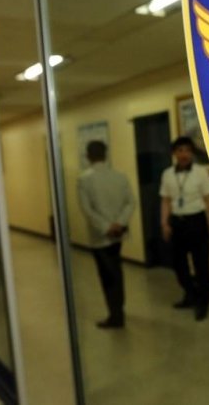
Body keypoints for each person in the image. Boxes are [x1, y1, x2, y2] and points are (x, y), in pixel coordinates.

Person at [160, 136, 209, 321]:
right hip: (177, 223)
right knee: (178, 265)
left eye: (187, 150)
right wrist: (164, 223)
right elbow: (166, 201)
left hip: (197, 222)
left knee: (201, 265)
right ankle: (190, 294)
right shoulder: (167, 174)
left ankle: (203, 303)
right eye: (180, 150)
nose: (183, 154)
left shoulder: (200, 172)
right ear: (174, 153)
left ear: (192, 153)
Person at [77, 140, 135, 329]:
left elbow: (87, 210)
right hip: (119, 233)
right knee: (116, 272)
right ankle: (118, 310)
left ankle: (116, 316)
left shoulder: (84, 179)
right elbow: (130, 202)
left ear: (88, 156)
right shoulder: (120, 176)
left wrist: (106, 227)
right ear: (105, 154)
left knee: (108, 276)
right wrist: (120, 223)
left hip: (100, 237)